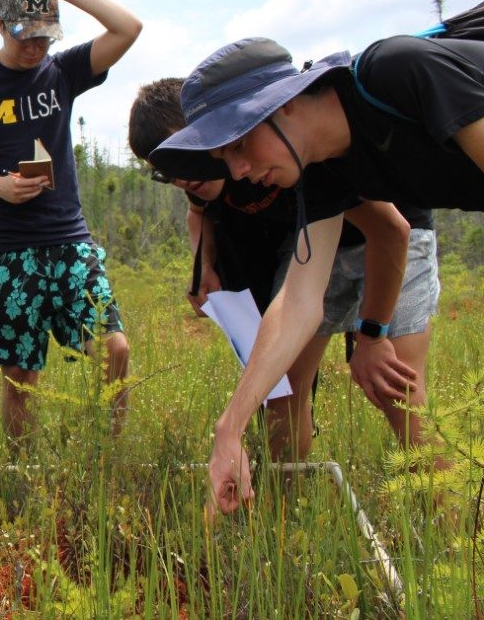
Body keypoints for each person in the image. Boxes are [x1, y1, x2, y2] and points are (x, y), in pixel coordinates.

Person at [149, 34, 484, 513]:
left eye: (240, 143)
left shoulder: (396, 73)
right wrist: (231, 426)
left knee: (408, 404)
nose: (239, 171)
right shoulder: (326, 172)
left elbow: (397, 231)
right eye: (226, 159)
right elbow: (300, 302)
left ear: (283, 104)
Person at [129, 77, 438, 463]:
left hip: (386, 239)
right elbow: (198, 213)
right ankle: (280, 511)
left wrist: (372, 335)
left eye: (191, 157)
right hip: (315, 250)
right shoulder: (209, 177)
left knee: (398, 389)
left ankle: (446, 512)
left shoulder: (277, 153)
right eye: (166, 172)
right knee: (283, 391)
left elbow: (390, 230)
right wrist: (204, 265)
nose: (181, 177)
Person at [0, 0, 141, 446]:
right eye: (26, 35)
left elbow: (128, 29)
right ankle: (20, 470)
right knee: (20, 375)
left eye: (46, 35)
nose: (36, 47)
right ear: (0, 25)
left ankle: (108, 455)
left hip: (69, 240)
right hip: (5, 249)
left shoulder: (62, 72)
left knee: (114, 347)